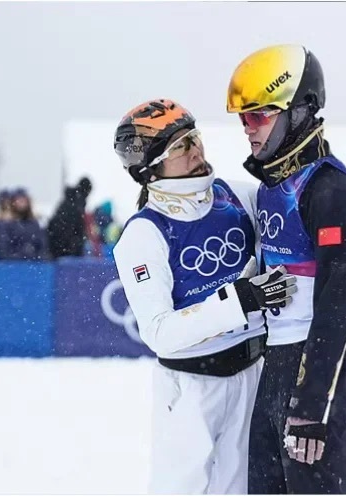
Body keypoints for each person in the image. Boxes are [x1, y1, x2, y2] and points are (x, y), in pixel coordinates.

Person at [112, 99, 297, 494]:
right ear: (150, 168)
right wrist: (239, 300)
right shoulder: (143, 234)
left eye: (194, 138)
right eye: (179, 146)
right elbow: (159, 333)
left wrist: (343, 269)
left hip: (253, 374)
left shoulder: (239, 196)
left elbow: (298, 236)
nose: (195, 149)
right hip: (191, 387)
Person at [226, 44, 346, 493]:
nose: (247, 128)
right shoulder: (272, 186)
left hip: (320, 371)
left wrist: (311, 405)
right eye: (243, 118)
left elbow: (336, 302)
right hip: (277, 363)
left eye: (258, 115)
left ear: (300, 111)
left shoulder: (330, 191)